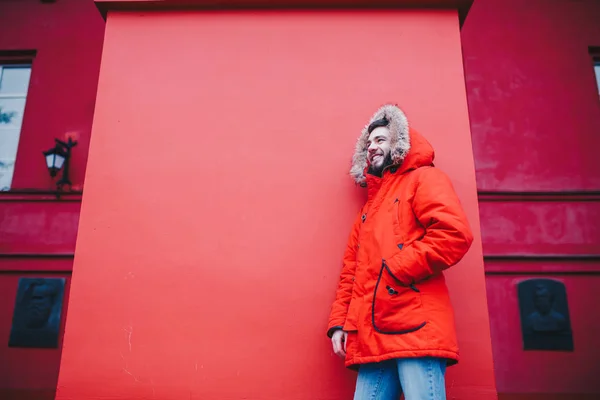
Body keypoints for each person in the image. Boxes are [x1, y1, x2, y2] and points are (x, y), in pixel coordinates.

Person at [327, 104, 474, 400]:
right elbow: (351, 272)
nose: (372, 147)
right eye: (368, 143)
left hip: (416, 325)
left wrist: (396, 270)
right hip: (371, 331)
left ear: (398, 143)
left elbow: (454, 234)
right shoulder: (368, 210)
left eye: (380, 140)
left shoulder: (424, 179)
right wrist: (340, 323)